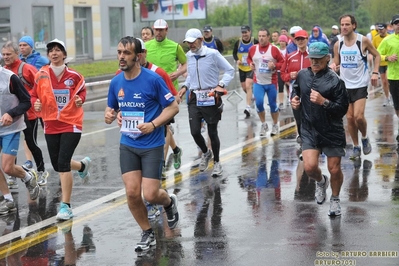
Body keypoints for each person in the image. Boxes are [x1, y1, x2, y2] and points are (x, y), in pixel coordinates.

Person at [105, 36, 180, 252]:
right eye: (119, 52)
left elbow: (173, 107)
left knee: (151, 195)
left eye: (126, 53)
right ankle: (147, 232)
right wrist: (111, 115)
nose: (121, 57)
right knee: (131, 192)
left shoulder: (153, 79)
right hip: (128, 143)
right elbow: (112, 108)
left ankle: (168, 203)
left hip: (152, 144)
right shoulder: (116, 81)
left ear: (137, 56)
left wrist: (154, 124)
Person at [31, 39, 91, 220]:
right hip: (50, 123)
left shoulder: (75, 76)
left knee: (63, 163)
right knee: (57, 164)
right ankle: (82, 165)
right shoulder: (41, 74)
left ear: (64, 54)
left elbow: (81, 91)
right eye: (51, 51)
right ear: (48, 55)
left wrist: (81, 99)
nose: (54, 53)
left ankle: (66, 206)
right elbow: (34, 95)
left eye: (58, 50)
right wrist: (36, 103)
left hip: (71, 122)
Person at [291, 42, 349, 216]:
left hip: (331, 129)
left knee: (334, 168)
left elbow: (342, 109)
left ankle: (335, 199)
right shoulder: (302, 75)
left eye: (318, 59)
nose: (315, 62)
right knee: (309, 167)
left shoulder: (336, 81)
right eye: (312, 59)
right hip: (309, 129)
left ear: (327, 58)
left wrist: (324, 101)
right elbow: (296, 91)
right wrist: (294, 100)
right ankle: (321, 182)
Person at [177, 28, 234, 177]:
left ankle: (217, 163)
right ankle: (206, 152)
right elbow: (191, 76)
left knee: (212, 132)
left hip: (211, 95)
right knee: (195, 131)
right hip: (195, 96)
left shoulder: (212, 54)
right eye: (188, 42)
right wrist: (185, 87)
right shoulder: (189, 56)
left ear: (201, 40)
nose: (190, 45)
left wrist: (221, 85)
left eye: (193, 41)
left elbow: (230, 70)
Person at [330, 14, 381, 159]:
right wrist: (334, 66)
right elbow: (336, 63)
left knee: (358, 117)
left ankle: (364, 137)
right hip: (344, 86)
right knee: (350, 118)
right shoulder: (337, 44)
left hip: (360, 84)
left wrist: (375, 72)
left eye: (347, 24)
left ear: (354, 25)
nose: (344, 27)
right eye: (342, 24)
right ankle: (356, 146)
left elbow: (377, 55)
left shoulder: (362, 41)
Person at [2, 41, 49, 187]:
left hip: (29, 113)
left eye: (9, 54)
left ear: (17, 54)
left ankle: (41, 171)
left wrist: (38, 101)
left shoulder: (27, 68)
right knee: (10, 146)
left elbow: (41, 86)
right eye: (3, 55)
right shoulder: (2, 70)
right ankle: (12, 176)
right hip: (10, 117)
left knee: (31, 142)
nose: (6, 57)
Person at [145, 19, 184, 172]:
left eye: (162, 30)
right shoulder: (146, 47)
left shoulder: (175, 46)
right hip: (149, 93)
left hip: (169, 93)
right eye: (156, 30)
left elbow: (186, 64)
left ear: (167, 30)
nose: (159, 33)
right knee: (158, 125)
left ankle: (160, 164)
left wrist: (178, 72)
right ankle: (176, 150)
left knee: (164, 125)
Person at [0, 65, 40, 215]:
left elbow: (26, 101)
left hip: (11, 128)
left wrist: (11, 113)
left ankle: (28, 176)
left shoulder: (10, 78)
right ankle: (8, 200)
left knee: (8, 168)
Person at [247, 28, 285, 137]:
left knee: (273, 105)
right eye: (259, 36)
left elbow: (282, 62)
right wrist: (250, 64)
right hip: (258, 82)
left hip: (271, 82)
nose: (261, 38)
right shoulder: (253, 49)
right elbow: (249, 59)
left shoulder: (274, 49)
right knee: (258, 103)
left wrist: (275, 66)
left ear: (268, 37)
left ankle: (274, 124)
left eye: (263, 36)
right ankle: (264, 124)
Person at [280, 29, 311, 157]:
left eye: (302, 39)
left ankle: (308, 145)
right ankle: (303, 141)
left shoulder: (313, 55)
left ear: (307, 39)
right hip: (296, 93)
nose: (300, 41)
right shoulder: (290, 56)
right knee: (299, 119)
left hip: (312, 93)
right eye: (297, 39)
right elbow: (282, 74)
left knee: (310, 119)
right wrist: (289, 76)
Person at [377, 14, 399, 144]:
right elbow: (378, 54)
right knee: (397, 105)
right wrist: (388, 58)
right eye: (396, 23)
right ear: (392, 26)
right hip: (394, 77)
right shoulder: (388, 40)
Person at [232, 25, 259, 118]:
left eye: (246, 32)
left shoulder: (254, 42)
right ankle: (252, 98)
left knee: (248, 85)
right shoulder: (238, 42)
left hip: (251, 68)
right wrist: (237, 60)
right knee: (244, 88)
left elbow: (260, 51)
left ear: (249, 32)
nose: (244, 35)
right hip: (242, 68)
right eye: (243, 33)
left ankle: (247, 107)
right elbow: (234, 53)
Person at [372, 23, 391, 106]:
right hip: (380, 63)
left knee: (388, 80)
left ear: (386, 29)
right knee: (384, 81)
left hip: (390, 62)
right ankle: (387, 98)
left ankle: (393, 96)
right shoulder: (375, 39)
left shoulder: (390, 37)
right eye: (379, 29)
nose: (380, 31)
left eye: (382, 29)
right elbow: (373, 51)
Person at [277, 34, 288, 109]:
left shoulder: (288, 50)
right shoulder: (277, 50)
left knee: (287, 85)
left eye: (283, 41)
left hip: (287, 70)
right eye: (280, 41)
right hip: (279, 70)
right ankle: (281, 102)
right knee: (280, 86)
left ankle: (288, 98)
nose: (282, 42)